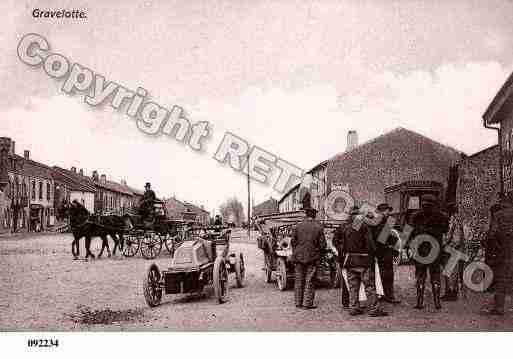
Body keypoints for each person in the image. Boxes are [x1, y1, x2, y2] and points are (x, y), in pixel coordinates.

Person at [336, 206, 388, 317]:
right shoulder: (364, 226)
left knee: (353, 286)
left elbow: (340, 243)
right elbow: (370, 244)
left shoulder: (345, 227)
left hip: (350, 260)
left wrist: (343, 253)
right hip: (364, 260)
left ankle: (354, 308)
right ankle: (374, 309)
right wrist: (374, 254)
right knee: (369, 286)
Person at [409, 194, 449, 310]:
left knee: (420, 276)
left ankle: (419, 302)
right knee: (435, 275)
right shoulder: (442, 216)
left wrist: (409, 247)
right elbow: (445, 230)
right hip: (435, 250)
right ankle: (437, 303)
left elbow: (408, 233)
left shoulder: (415, 216)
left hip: (420, 250)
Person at [482, 195, 513, 315]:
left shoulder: (498, 215)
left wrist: (492, 244)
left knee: (502, 278)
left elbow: (492, 234)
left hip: (504, 249)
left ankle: (499, 307)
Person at [291, 207, 326, 309]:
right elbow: (323, 245)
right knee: (309, 280)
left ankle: (298, 303)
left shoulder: (297, 226)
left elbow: (293, 242)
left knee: (298, 280)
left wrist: (296, 252)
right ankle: (307, 304)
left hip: (298, 257)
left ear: (306, 215)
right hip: (312, 257)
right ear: (314, 215)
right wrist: (319, 252)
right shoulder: (318, 227)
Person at [371, 203, 400, 304]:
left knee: (379, 274)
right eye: (388, 211)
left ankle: (381, 294)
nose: (389, 213)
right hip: (384, 251)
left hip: (377, 251)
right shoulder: (383, 221)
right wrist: (394, 239)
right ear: (383, 211)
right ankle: (389, 296)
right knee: (388, 274)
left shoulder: (375, 221)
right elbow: (383, 238)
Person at [441, 204, 464, 301]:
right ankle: (452, 292)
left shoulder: (454, 220)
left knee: (451, 271)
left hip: (453, 249)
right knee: (452, 271)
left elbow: (456, 238)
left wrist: (445, 245)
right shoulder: (457, 219)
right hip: (456, 248)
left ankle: (451, 293)